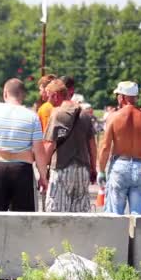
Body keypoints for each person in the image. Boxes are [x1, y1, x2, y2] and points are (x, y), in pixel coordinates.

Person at [0, 78, 48, 212]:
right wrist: (43, 176)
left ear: (5, 93)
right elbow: (39, 149)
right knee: (23, 219)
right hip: (22, 169)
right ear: (23, 95)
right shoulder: (31, 116)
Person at [98, 81, 141, 215]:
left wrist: (101, 170)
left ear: (121, 97)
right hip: (140, 167)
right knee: (138, 218)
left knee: (115, 216)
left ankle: (116, 237)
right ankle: (136, 237)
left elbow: (105, 147)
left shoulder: (114, 117)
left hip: (120, 166)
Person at [43, 80, 97, 212]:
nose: (48, 101)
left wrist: (42, 170)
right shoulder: (84, 114)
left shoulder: (57, 114)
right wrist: (93, 168)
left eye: (49, 96)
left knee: (57, 213)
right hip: (83, 169)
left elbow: (50, 145)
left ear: (56, 95)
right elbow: (92, 145)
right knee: (79, 215)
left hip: (62, 168)